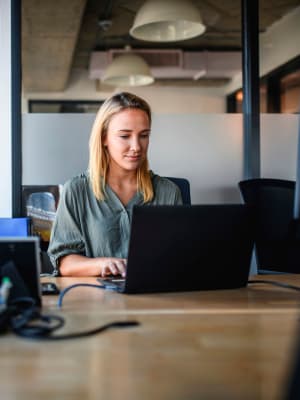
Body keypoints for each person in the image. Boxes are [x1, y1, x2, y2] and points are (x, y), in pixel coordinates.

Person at [48, 92, 182, 277]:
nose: (136, 146)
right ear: (104, 138)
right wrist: (104, 264)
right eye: (125, 136)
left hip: (156, 297)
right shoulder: (77, 190)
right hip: (98, 300)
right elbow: (65, 263)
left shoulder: (169, 192)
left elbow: (180, 257)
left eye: (143, 135)